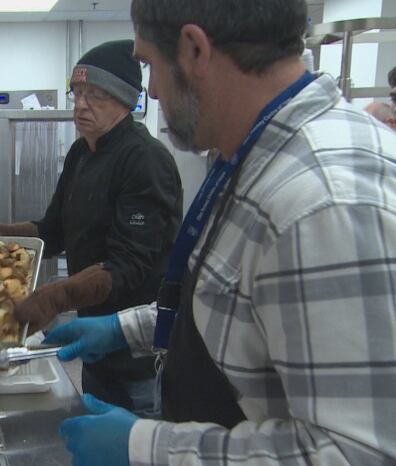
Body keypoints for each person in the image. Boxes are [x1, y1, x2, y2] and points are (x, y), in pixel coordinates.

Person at [46, 0, 396, 465]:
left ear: (194, 49)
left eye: (149, 64)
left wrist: (146, 447)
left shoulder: (324, 202)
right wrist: (124, 328)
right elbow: (234, 298)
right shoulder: (253, 157)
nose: (150, 88)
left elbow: (355, 453)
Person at [0, 40, 182, 415]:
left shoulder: (145, 161)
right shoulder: (81, 153)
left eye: (95, 95)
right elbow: (52, 231)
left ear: (126, 100)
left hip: (136, 354)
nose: (80, 104)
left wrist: (57, 297)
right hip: (94, 343)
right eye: (77, 93)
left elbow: (129, 266)